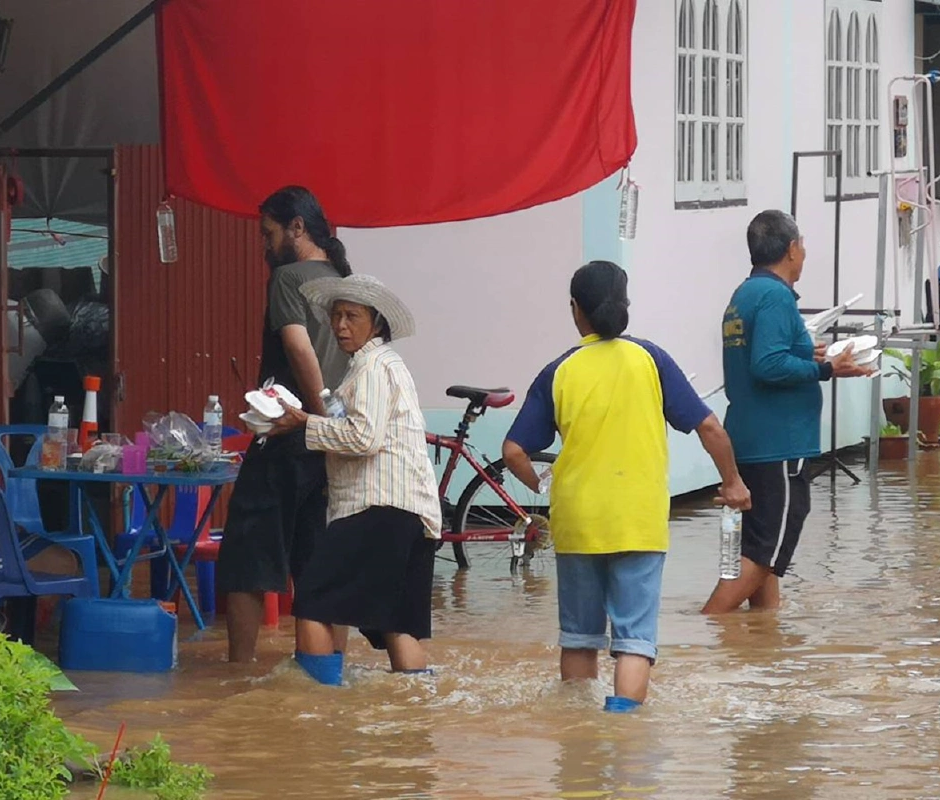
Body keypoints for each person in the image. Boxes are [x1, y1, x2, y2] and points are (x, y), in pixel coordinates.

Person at [502, 261, 751, 712]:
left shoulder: (558, 371)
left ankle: (581, 747)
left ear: (575, 310)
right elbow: (710, 429)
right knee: (634, 640)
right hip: (638, 520)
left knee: (579, 638)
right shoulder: (651, 360)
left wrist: (544, 483)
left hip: (577, 520)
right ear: (625, 307)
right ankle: (622, 733)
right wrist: (732, 482)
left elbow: (514, 450)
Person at [269, 274, 440, 685]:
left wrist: (302, 422)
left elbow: (364, 437)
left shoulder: (371, 367)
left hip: (376, 506)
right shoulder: (386, 366)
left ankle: (318, 711)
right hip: (412, 511)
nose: (341, 326)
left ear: (376, 323)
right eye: (336, 316)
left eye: (352, 317)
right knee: (398, 621)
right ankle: (414, 711)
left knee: (312, 603)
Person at [702, 210, 874, 615]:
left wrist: (806, 355)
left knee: (766, 554)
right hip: (777, 445)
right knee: (764, 554)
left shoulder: (745, 295)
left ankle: (764, 646)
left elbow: (763, 355)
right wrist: (826, 368)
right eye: (803, 245)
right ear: (791, 248)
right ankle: (705, 634)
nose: (804, 253)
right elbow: (767, 364)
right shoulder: (775, 296)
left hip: (751, 440)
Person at [217, 186, 354, 663]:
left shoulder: (288, 278)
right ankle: (325, 674)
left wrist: (313, 416)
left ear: (298, 227)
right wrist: (335, 426)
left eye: (268, 234)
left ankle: (239, 674)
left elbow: (298, 348)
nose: (264, 246)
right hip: (335, 445)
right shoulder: (342, 279)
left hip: (285, 435)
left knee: (247, 559)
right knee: (320, 563)